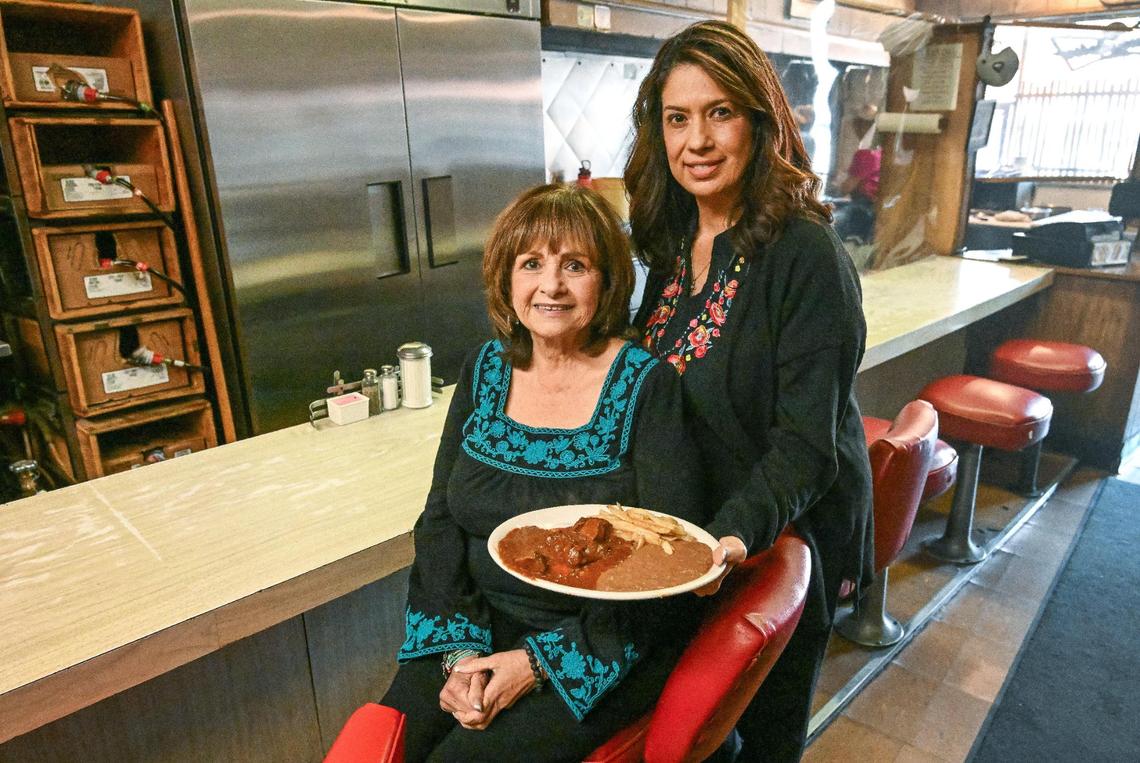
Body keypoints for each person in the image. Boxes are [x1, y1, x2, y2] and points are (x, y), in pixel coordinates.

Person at [380, 183, 709, 762]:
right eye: (531, 264)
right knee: (386, 748)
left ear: (607, 282)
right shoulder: (485, 368)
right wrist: (459, 655)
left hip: (604, 642)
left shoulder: (646, 384)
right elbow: (439, 520)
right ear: (506, 279)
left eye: (575, 266)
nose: (551, 285)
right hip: (475, 625)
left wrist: (535, 664)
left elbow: (672, 564)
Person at [624, 21, 874, 761]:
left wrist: (728, 537)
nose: (696, 140)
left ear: (759, 123)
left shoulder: (806, 254)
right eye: (677, 118)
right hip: (699, 536)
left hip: (778, 538)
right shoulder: (675, 242)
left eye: (720, 113)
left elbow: (806, 445)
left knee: (764, 740)